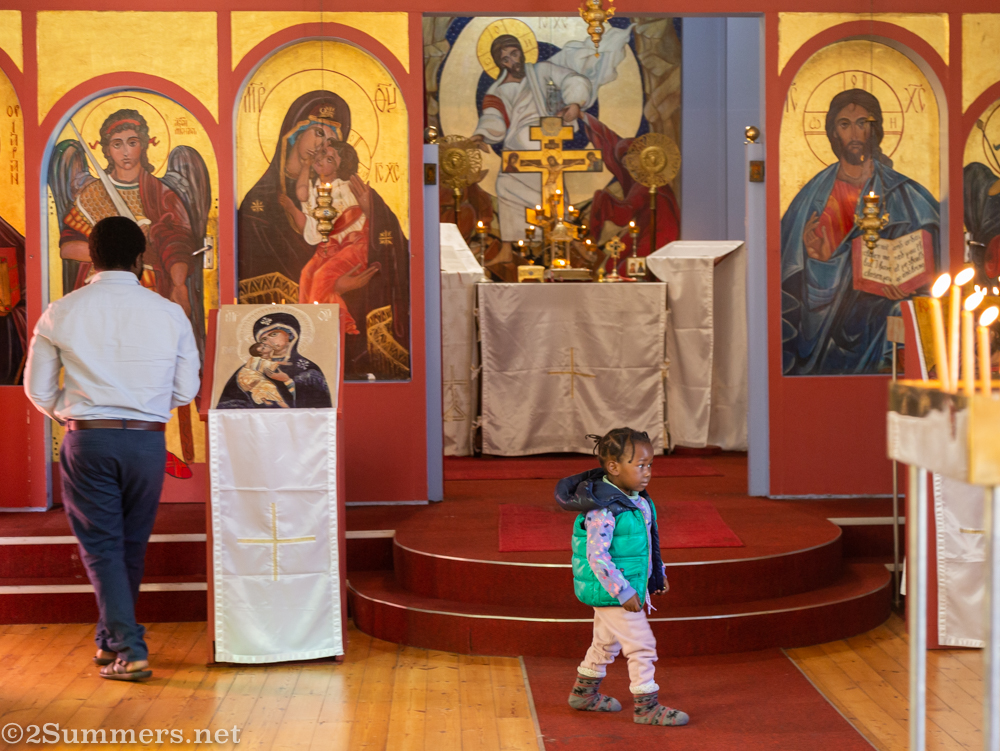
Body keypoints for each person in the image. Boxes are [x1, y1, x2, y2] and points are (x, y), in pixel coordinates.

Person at [24, 216, 201, 682]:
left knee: (103, 546)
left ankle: (129, 647)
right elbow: (186, 391)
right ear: (141, 258)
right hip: (146, 442)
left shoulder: (61, 311)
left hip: (90, 438)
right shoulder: (169, 313)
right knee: (129, 545)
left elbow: (38, 390)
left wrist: (72, 413)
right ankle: (110, 640)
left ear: (91, 258)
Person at [780, 88, 941, 375]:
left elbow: (934, 258)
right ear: (833, 133)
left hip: (882, 323)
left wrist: (909, 285)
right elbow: (796, 289)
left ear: (875, 129)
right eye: (845, 124)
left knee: (898, 314)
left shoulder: (905, 192)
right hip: (829, 329)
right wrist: (817, 260)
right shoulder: (812, 197)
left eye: (862, 123)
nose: (854, 133)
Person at [555, 427, 689, 727]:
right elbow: (597, 556)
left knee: (606, 643)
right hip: (613, 590)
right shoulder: (603, 509)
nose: (647, 472)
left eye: (650, 464)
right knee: (641, 644)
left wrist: (658, 573)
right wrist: (623, 591)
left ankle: (584, 693)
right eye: (640, 465)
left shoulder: (636, 500)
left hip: (622, 588)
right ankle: (646, 707)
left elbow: (645, 546)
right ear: (614, 467)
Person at [291, 141, 372, 336]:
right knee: (306, 274)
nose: (321, 159)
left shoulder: (347, 187)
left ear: (340, 167)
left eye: (330, 159)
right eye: (322, 153)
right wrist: (306, 165)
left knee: (321, 276)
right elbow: (302, 194)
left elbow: (369, 215)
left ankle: (316, 331)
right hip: (332, 245)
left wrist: (368, 206)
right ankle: (304, 322)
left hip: (355, 246)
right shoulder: (317, 186)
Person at [216, 311, 331, 410]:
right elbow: (230, 404)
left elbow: (319, 407)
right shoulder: (250, 367)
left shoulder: (308, 369)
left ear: (290, 335)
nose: (268, 341)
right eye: (264, 339)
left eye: (274, 334)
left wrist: (287, 380)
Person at [236, 342, 291, 408]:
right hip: (248, 375)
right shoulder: (255, 359)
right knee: (268, 386)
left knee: (260, 389)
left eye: (265, 345)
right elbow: (266, 365)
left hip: (253, 377)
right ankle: (280, 403)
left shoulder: (265, 358)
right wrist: (281, 363)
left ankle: (264, 399)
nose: (267, 345)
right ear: (261, 353)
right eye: (263, 348)